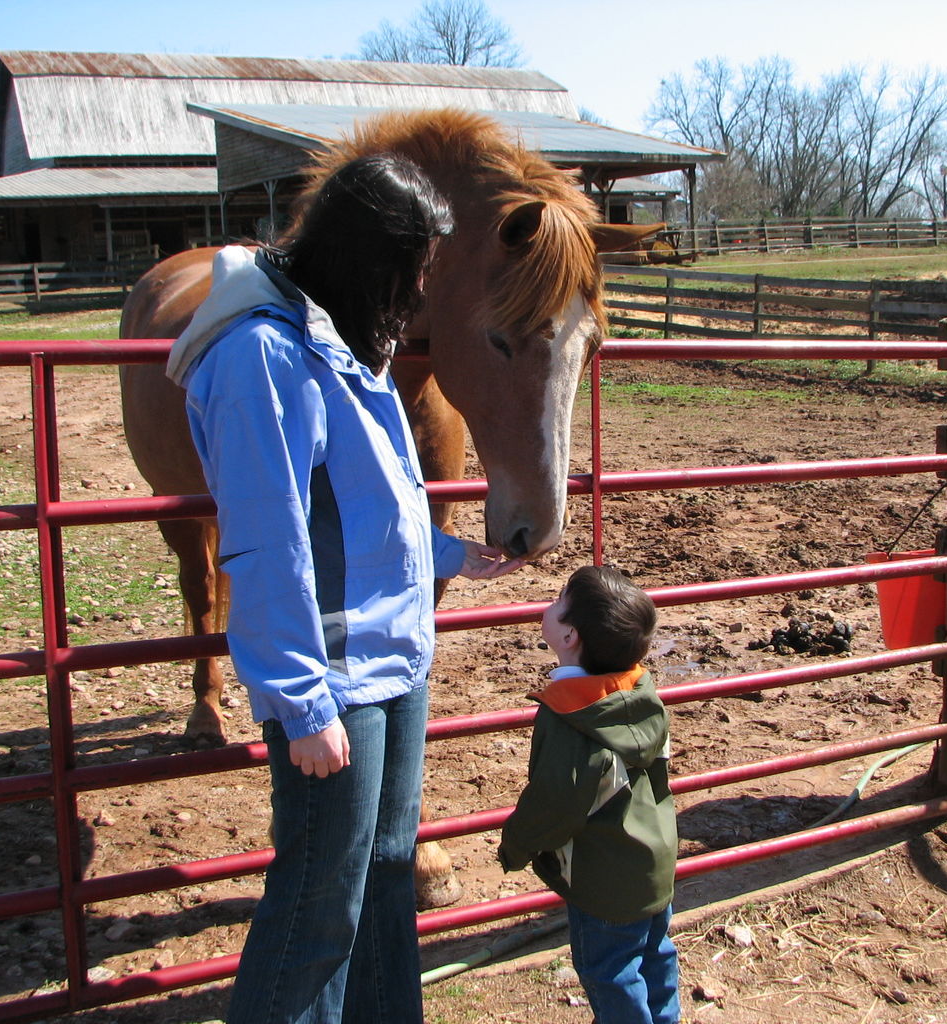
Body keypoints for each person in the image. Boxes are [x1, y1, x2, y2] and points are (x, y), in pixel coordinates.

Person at [166, 154, 521, 1024]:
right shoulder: (261, 356)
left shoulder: (345, 336)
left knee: (389, 870)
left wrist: (442, 555)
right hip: (332, 673)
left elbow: (367, 494)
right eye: (416, 269)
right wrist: (302, 702)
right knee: (319, 904)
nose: (422, 288)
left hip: (395, 653)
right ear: (370, 257)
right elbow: (266, 539)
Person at [498, 565, 680, 1024]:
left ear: (570, 636)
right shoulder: (640, 692)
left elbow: (555, 802)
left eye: (559, 600)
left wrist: (516, 845)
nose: (551, 602)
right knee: (656, 958)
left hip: (604, 881)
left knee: (611, 973)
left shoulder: (571, 720)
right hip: (654, 863)